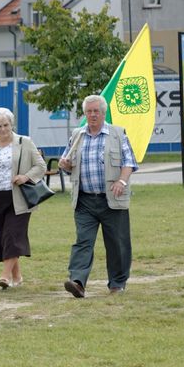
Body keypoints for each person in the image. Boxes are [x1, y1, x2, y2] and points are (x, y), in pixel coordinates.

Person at [58, 95, 138, 298]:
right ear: (84, 114)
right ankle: (77, 282)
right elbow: (68, 162)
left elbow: (129, 162)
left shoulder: (117, 134)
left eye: (96, 111)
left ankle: (117, 283)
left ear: (103, 113)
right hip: (84, 200)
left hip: (111, 198)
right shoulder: (77, 135)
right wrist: (66, 166)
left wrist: (121, 181)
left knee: (117, 243)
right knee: (83, 241)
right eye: (89, 111)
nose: (92, 115)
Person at [0, 108, 46, 289]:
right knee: (3, 235)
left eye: (6, 125)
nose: (3, 129)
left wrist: (25, 177)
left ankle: (5, 277)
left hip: (19, 195)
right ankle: (18, 276)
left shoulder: (25, 142)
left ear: (11, 124)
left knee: (12, 235)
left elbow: (40, 166)